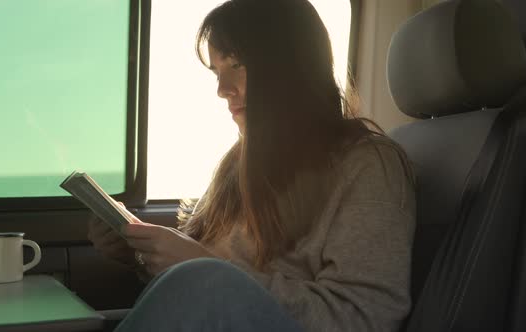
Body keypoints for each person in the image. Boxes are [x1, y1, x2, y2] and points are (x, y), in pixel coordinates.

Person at [88, 0, 416, 331]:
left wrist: (206, 270)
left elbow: (365, 317)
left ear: (291, 65)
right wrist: (137, 252)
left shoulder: (367, 165)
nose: (221, 90)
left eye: (237, 65)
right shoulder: (239, 159)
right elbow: (196, 262)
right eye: (217, 72)